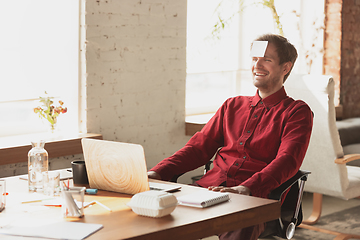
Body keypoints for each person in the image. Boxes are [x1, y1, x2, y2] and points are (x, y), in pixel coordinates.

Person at [148, 34, 313, 240]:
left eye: (266, 60)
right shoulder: (232, 105)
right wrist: (157, 172)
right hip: (208, 189)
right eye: (254, 59)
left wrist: (246, 188)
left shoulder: (296, 111)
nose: (257, 65)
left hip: (254, 197)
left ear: (285, 68)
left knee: (239, 224)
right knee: (157, 219)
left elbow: (288, 160)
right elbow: (198, 148)